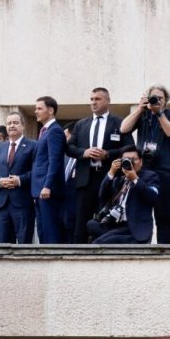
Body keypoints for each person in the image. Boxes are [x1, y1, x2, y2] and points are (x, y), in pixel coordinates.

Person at [67, 87, 134, 243]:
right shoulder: (81, 124)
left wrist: (108, 154)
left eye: (97, 99)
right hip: (85, 179)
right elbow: (69, 148)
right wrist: (84, 152)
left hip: (110, 178)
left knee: (106, 219)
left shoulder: (119, 123)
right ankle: (78, 257)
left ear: (108, 101)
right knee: (81, 221)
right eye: (91, 99)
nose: (93, 102)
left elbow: (129, 148)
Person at [120, 84, 170, 244]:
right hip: (143, 170)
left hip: (165, 170)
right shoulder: (143, 114)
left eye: (160, 98)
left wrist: (159, 113)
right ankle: (142, 245)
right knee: (141, 211)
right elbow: (124, 129)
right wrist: (139, 109)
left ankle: (164, 249)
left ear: (166, 101)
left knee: (164, 214)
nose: (156, 101)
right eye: (154, 97)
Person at [86, 146, 159, 244]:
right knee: (91, 225)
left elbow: (152, 197)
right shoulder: (119, 180)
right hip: (116, 225)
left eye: (133, 159)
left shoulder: (149, 176)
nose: (130, 162)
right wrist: (111, 172)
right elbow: (102, 196)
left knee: (100, 242)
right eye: (126, 160)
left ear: (141, 162)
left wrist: (135, 179)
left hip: (133, 228)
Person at [0, 112, 36, 244]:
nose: (12, 126)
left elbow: (37, 172)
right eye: (9, 123)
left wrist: (19, 180)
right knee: (2, 245)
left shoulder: (33, 145)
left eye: (15, 123)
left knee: (23, 244)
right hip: (2, 205)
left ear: (23, 126)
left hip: (22, 203)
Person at [31, 96, 66, 244]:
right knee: (43, 231)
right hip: (39, 189)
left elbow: (55, 160)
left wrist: (47, 185)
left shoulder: (55, 131)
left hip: (48, 191)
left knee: (50, 231)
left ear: (50, 110)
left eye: (39, 108)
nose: (36, 112)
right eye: (35, 108)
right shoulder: (44, 131)